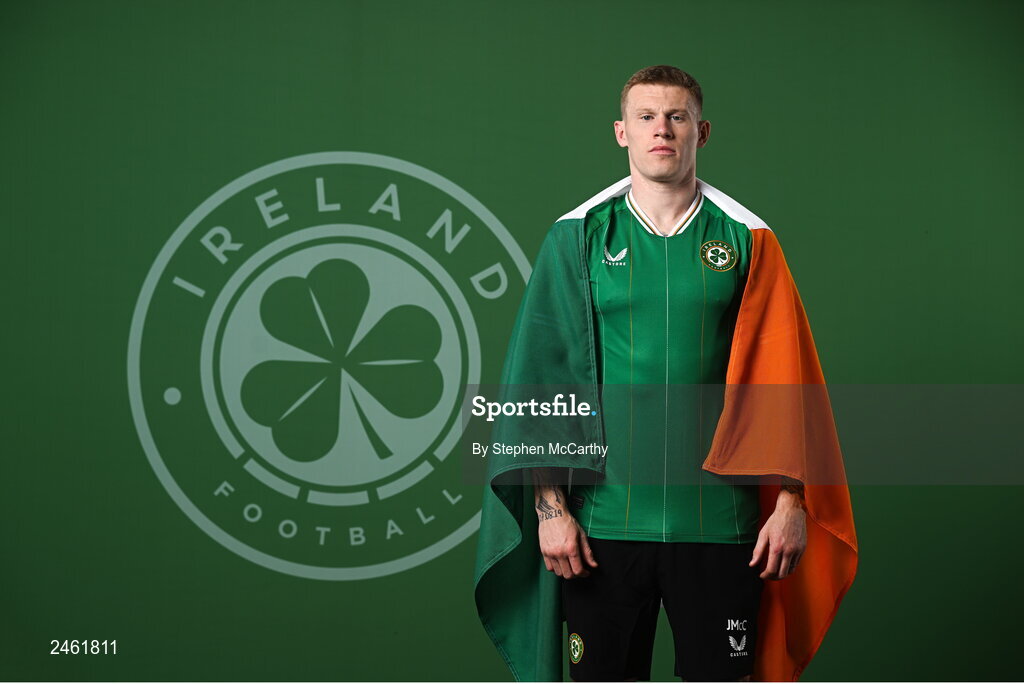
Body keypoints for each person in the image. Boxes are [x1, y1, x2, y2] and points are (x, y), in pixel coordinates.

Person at [474, 65, 858, 682]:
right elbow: (539, 376)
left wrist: (791, 500)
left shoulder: (749, 238)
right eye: (647, 117)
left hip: (722, 526)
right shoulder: (576, 238)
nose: (663, 129)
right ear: (620, 132)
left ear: (700, 131)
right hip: (601, 527)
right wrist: (549, 510)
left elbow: (786, 375)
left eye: (677, 117)